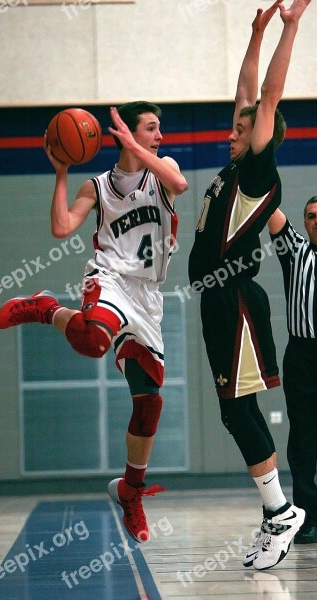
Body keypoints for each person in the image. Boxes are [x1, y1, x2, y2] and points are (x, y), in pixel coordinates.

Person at [0, 101, 188, 543]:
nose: (160, 136)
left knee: (149, 402)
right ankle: (45, 308)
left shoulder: (163, 171)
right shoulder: (97, 186)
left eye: (159, 129)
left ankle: (130, 490)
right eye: (152, 129)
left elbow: (179, 182)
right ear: (129, 133)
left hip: (147, 297)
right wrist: (61, 172)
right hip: (110, 279)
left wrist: (135, 147)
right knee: (94, 341)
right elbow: (62, 229)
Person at [188, 0, 310, 571]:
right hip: (217, 301)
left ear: (262, 135)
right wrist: (255, 34)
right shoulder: (234, 169)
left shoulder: (259, 171)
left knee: (238, 411)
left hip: (235, 299)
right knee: (233, 410)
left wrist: (290, 29)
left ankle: (280, 511)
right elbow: (246, 90)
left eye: (244, 126)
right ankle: (274, 512)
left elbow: (267, 96)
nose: (233, 128)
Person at [268, 198, 317, 544]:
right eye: (311, 217)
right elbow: (270, 207)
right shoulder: (295, 250)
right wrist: (257, 158)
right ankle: (309, 518)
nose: (316, 222)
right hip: (301, 355)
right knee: (303, 440)